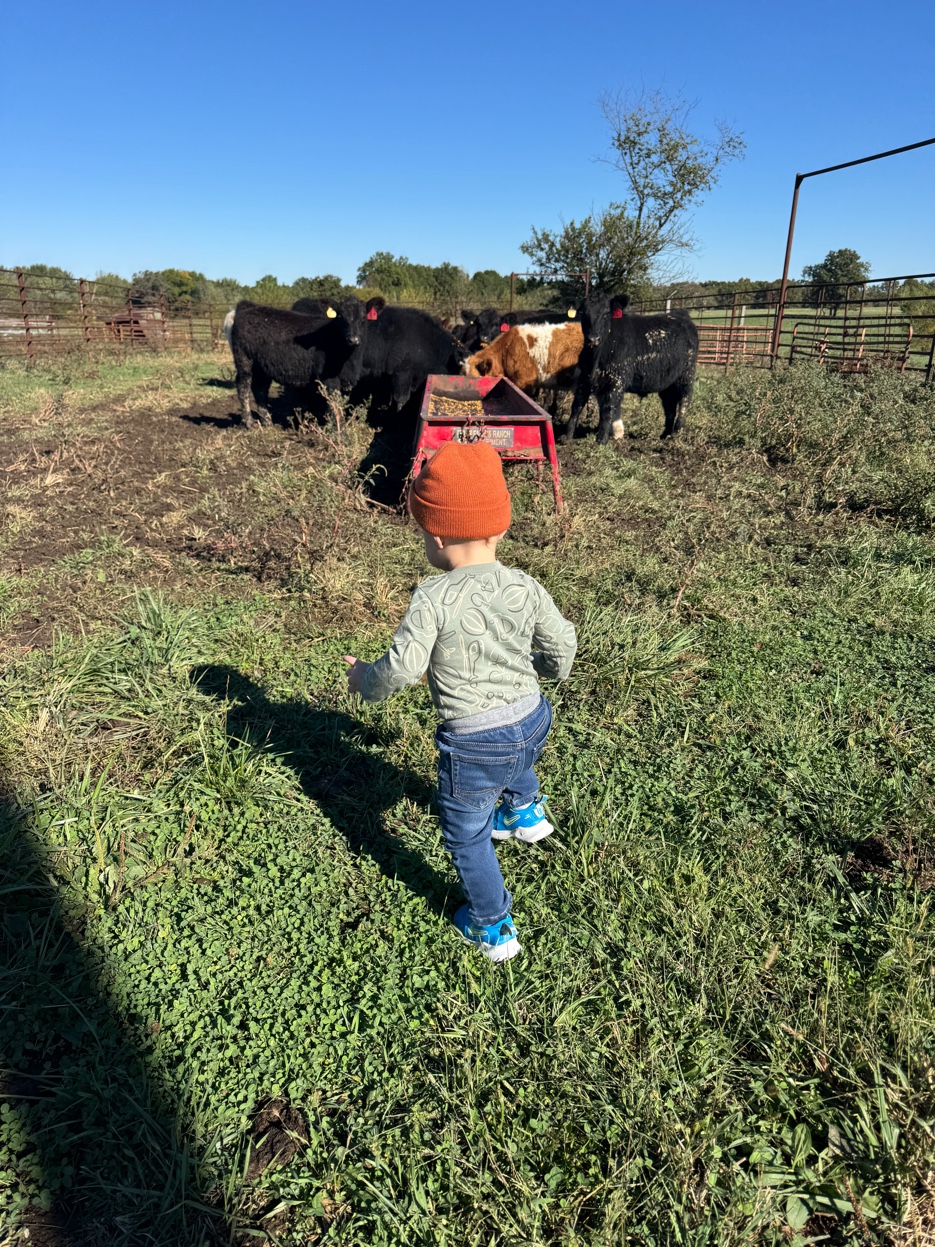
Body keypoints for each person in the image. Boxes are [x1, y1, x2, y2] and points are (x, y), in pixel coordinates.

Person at [343, 439, 576, 962]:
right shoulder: (524, 584)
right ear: (501, 527)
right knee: (516, 748)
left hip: (474, 742)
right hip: (535, 717)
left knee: (466, 832)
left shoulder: (433, 596)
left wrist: (366, 683)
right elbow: (562, 641)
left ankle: (493, 926)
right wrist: (546, 675)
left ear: (438, 533)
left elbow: (402, 667)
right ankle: (523, 811)